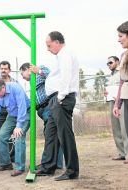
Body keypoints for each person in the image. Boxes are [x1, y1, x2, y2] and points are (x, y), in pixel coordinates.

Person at [34, 31, 79, 181]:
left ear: (57, 42)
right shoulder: (61, 56)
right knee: (51, 133)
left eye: (49, 45)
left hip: (61, 98)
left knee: (65, 135)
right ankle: (48, 166)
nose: (48, 48)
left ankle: (72, 170)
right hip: (55, 99)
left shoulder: (65, 53)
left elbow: (66, 75)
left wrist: (61, 96)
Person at [19, 62, 64, 169]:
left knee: (50, 135)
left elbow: (52, 76)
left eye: (22, 74)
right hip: (42, 109)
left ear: (28, 69)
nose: (22, 77)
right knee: (54, 135)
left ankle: (47, 163)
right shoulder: (31, 81)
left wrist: (38, 71)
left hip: (48, 107)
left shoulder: (39, 70)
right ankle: (56, 163)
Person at [0, 78, 30, 177]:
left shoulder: (15, 88)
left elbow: (22, 106)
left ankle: (19, 167)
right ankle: (6, 164)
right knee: (1, 136)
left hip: (25, 113)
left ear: (3, 87)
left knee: (19, 136)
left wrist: (19, 125)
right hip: (12, 115)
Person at [105, 56, 128, 163]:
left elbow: (123, 85)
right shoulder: (110, 75)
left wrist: (118, 98)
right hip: (111, 102)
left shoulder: (122, 72)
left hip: (122, 100)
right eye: (107, 63)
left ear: (117, 62)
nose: (109, 64)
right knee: (116, 128)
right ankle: (121, 153)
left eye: (110, 62)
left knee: (124, 127)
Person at [113, 21, 128, 157]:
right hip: (126, 99)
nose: (118, 39)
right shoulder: (123, 55)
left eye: (121, 36)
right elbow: (121, 81)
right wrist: (117, 104)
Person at [0, 61, 17, 165]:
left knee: (12, 135)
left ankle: (11, 157)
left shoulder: (14, 82)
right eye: (1, 68)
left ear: (9, 70)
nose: (3, 70)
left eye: (5, 68)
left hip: (11, 111)